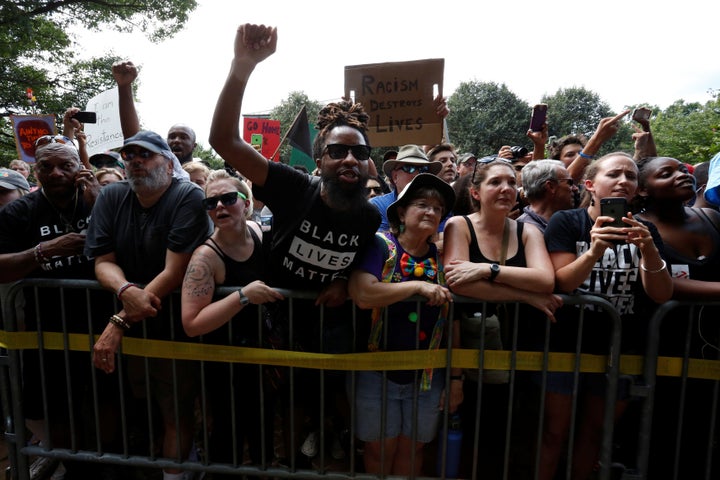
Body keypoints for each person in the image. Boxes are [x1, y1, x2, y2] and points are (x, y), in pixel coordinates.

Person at [209, 23, 382, 463]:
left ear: (369, 165)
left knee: (321, 399)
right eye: (339, 151)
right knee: (268, 409)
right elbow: (223, 142)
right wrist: (243, 67)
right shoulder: (291, 186)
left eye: (359, 154)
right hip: (268, 317)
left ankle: (316, 452)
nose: (349, 159)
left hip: (326, 324)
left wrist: (344, 282)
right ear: (320, 159)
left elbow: (363, 259)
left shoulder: (368, 215)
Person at [86, 130, 212, 480]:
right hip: (133, 329)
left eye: (146, 154)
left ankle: (176, 474)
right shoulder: (111, 196)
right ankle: (179, 462)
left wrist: (118, 323)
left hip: (175, 328)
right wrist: (126, 290)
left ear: (170, 164)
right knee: (142, 408)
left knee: (176, 410)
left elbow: (175, 270)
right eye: (129, 155)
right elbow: (102, 262)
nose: (135, 161)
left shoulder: (187, 195)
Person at [540, 152, 672, 480]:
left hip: (620, 349)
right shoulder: (567, 221)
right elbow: (562, 281)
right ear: (590, 184)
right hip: (567, 344)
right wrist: (595, 249)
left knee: (595, 434)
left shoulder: (647, 231)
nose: (624, 181)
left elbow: (661, 293)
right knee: (554, 432)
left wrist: (650, 250)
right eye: (614, 174)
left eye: (630, 176)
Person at [443, 156, 562, 478]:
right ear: (476, 192)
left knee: (517, 431)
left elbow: (545, 280)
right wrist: (524, 294)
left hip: (523, 345)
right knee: (474, 431)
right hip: (471, 347)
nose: (506, 188)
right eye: (495, 182)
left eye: (511, 182)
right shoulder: (459, 225)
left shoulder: (527, 230)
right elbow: (457, 283)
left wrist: (486, 269)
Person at [0, 137, 100, 477]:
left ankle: (110, 465)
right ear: (36, 171)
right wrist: (43, 251)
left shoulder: (95, 200)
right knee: (49, 408)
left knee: (106, 401)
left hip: (103, 325)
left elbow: (129, 250)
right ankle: (76, 467)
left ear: (79, 168)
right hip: (46, 331)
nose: (56, 172)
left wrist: (99, 201)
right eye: (46, 166)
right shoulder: (20, 211)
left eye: (65, 165)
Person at [348, 173, 457, 476]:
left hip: (427, 375)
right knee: (378, 449)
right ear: (400, 212)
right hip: (376, 372)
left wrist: (456, 378)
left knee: (414, 448)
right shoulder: (380, 246)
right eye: (422, 204)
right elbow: (362, 293)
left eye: (437, 208)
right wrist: (417, 288)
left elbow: (454, 320)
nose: (431, 212)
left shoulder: (444, 257)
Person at [181, 169, 284, 473]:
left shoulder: (256, 230)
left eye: (228, 199)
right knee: (227, 436)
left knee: (263, 430)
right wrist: (242, 296)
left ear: (246, 202)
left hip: (261, 355)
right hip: (224, 361)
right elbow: (191, 322)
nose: (219, 207)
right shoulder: (205, 258)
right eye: (210, 203)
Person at [634, 156, 720, 477]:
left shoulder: (711, 217)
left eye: (681, 170)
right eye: (665, 173)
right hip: (663, 346)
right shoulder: (639, 226)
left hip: (711, 346)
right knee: (664, 433)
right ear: (642, 189)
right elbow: (663, 284)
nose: (680, 175)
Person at [111, 60, 198, 165]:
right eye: (172, 137)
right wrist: (124, 86)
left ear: (194, 145)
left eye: (184, 137)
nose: (176, 140)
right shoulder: (157, 171)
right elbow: (134, 139)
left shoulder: (206, 177)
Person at [371, 145, 442, 232]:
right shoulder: (378, 206)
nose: (417, 174)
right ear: (395, 177)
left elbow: (446, 241)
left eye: (423, 169)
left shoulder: (440, 205)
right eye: (409, 168)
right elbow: (382, 242)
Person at [516, 159, 578, 232]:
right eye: (570, 183)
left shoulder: (569, 223)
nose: (575, 188)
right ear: (550, 186)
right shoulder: (521, 231)